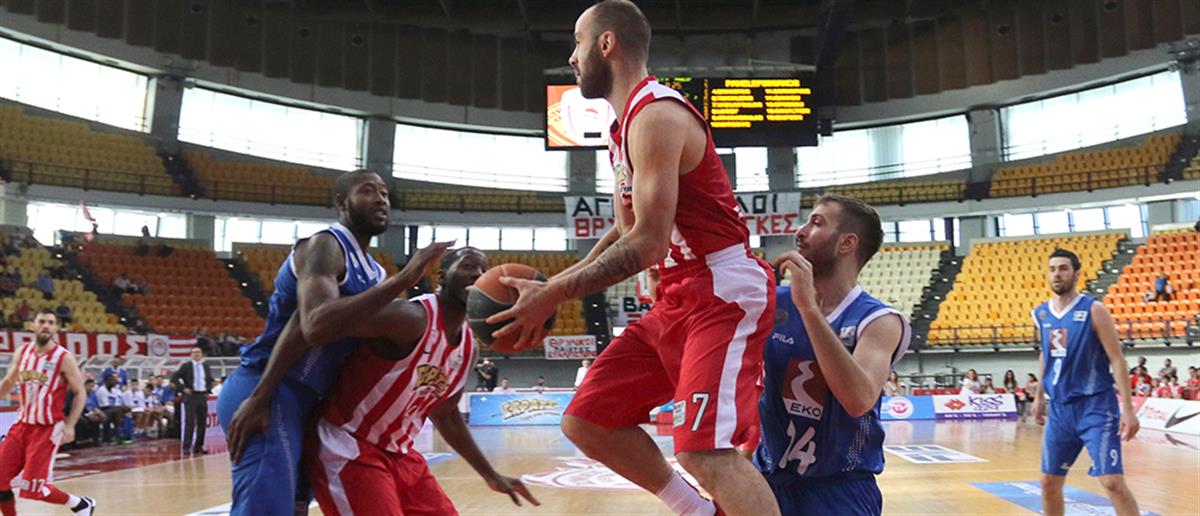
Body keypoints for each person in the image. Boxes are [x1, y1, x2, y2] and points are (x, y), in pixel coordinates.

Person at [491, 3, 779, 514]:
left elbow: (647, 244)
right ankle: (697, 510)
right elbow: (625, 232)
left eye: (578, 42)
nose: (572, 57)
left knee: (704, 452)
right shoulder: (622, 129)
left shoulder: (658, 115)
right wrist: (551, 287)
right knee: (587, 419)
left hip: (722, 290)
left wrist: (553, 293)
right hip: (676, 296)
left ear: (606, 44)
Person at [217, 169, 451, 516]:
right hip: (271, 387)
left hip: (314, 403)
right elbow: (312, 325)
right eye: (368, 191)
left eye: (384, 193)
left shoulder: (375, 273)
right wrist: (260, 397)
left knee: (297, 508)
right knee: (266, 510)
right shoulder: (325, 245)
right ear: (342, 203)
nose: (380, 199)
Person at [295, 247, 537, 514]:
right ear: (442, 277)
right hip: (350, 446)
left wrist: (490, 474)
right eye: (468, 266)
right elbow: (321, 325)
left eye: (483, 270)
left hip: (401, 454)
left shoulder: (469, 346)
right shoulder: (410, 317)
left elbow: (445, 414)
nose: (477, 274)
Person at [755, 195, 910, 516]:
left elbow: (858, 399)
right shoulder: (773, 303)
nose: (800, 231)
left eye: (816, 223)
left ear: (847, 243)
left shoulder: (879, 320)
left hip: (840, 489)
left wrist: (809, 310)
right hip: (766, 478)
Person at [1031, 248, 1140, 516]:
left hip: (1095, 406)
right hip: (1060, 409)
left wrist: (1128, 409)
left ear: (1077, 273)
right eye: (1052, 269)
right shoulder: (1041, 314)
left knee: (1112, 482)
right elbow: (1047, 353)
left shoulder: (1094, 309)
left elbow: (1117, 359)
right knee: (1048, 482)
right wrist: (1039, 395)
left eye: (1063, 268)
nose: (1057, 274)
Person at [0, 309, 95, 515]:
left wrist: (70, 425)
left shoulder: (64, 357)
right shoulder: (22, 352)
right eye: (42, 321)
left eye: (51, 323)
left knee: (34, 490)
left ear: (56, 328)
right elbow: (8, 381)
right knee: (0, 480)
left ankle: (80, 504)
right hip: (21, 425)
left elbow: (80, 393)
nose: (46, 326)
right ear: (32, 326)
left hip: (47, 429)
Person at [171, 346, 214, 455]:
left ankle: (198, 446)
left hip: (202, 395)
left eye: (198, 352)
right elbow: (174, 378)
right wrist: (183, 388)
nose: (196, 354)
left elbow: (210, 379)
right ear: (191, 355)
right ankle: (186, 446)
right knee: (189, 422)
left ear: (202, 354)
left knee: (202, 422)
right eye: (194, 352)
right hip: (191, 396)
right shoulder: (186, 366)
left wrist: (208, 390)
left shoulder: (205, 366)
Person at [94, 373, 130, 444]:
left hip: (112, 410)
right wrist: (120, 408)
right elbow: (105, 406)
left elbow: (117, 403)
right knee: (117, 412)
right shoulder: (102, 390)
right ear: (106, 381)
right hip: (101, 410)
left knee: (122, 412)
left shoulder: (114, 390)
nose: (113, 382)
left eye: (114, 380)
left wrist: (123, 407)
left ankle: (122, 433)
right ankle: (118, 434)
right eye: (111, 380)